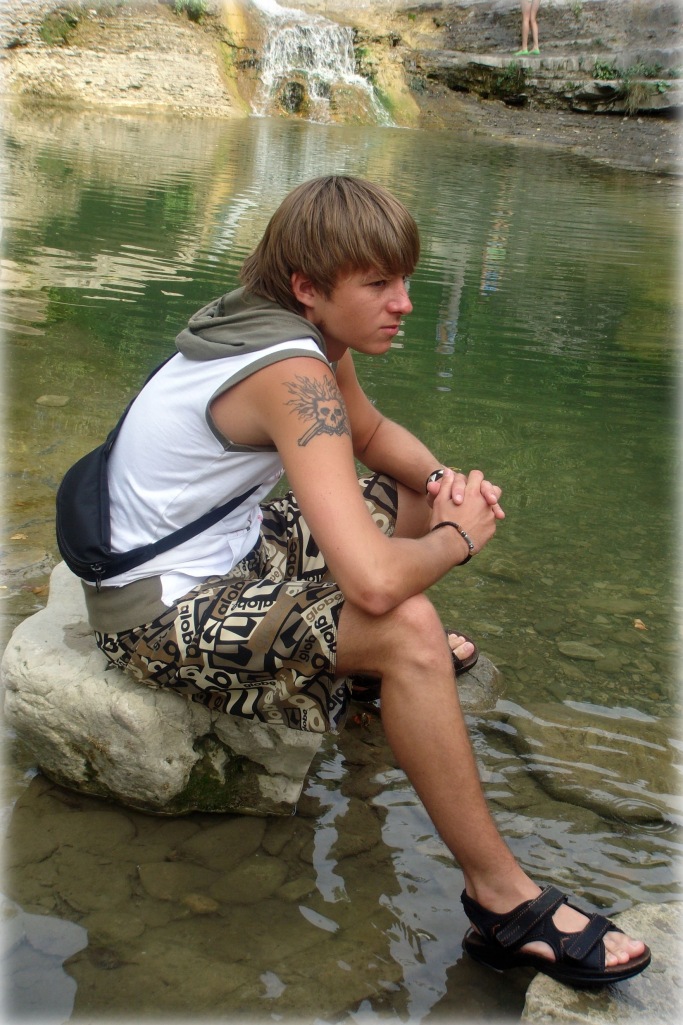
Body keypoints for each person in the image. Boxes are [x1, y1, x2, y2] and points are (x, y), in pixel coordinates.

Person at [86, 175, 649, 987]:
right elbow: (379, 587)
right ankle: (500, 900)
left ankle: (367, 677)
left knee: (407, 495)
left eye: (405, 279)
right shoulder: (291, 374)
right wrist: (459, 536)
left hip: (223, 553)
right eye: (379, 283)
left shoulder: (290, 328)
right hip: (154, 613)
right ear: (308, 287)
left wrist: (443, 486)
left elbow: (372, 433)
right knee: (406, 626)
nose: (405, 303)